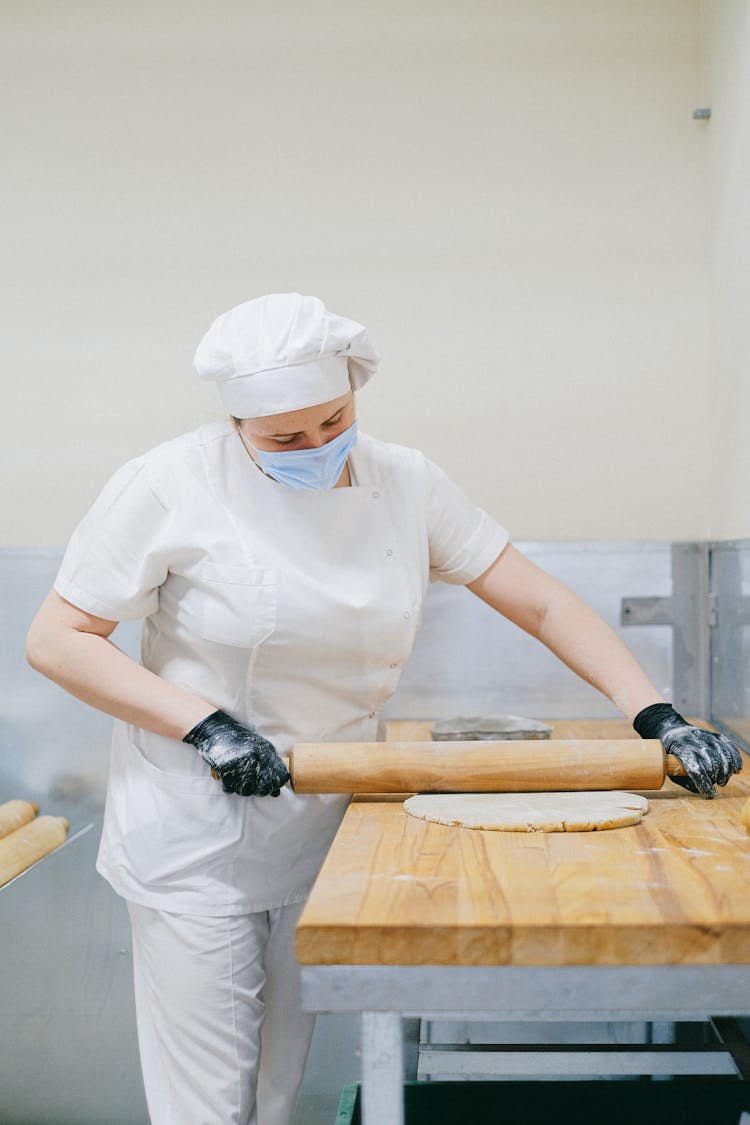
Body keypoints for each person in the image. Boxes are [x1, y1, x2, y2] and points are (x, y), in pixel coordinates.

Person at [26, 293, 742, 1125]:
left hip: (331, 811)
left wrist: (654, 713)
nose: (318, 449)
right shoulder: (167, 483)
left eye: (334, 421)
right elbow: (58, 638)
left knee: (275, 1089)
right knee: (208, 1108)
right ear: (235, 423)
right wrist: (206, 725)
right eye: (285, 439)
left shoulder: (407, 481)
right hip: (200, 825)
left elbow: (541, 605)